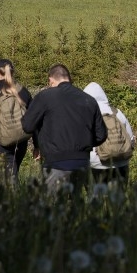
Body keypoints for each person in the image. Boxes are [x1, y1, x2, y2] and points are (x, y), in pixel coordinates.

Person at [20, 64, 106, 195]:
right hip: (82, 162)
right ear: (69, 79)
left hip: (55, 161)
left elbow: (27, 126)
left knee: (53, 207)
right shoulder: (88, 99)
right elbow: (101, 135)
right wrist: (84, 143)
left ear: (51, 80)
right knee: (74, 205)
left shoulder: (45, 97)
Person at [83, 82, 134, 183]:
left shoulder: (85, 115)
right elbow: (131, 138)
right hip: (121, 162)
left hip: (96, 164)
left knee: (96, 197)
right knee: (119, 197)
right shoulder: (117, 112)